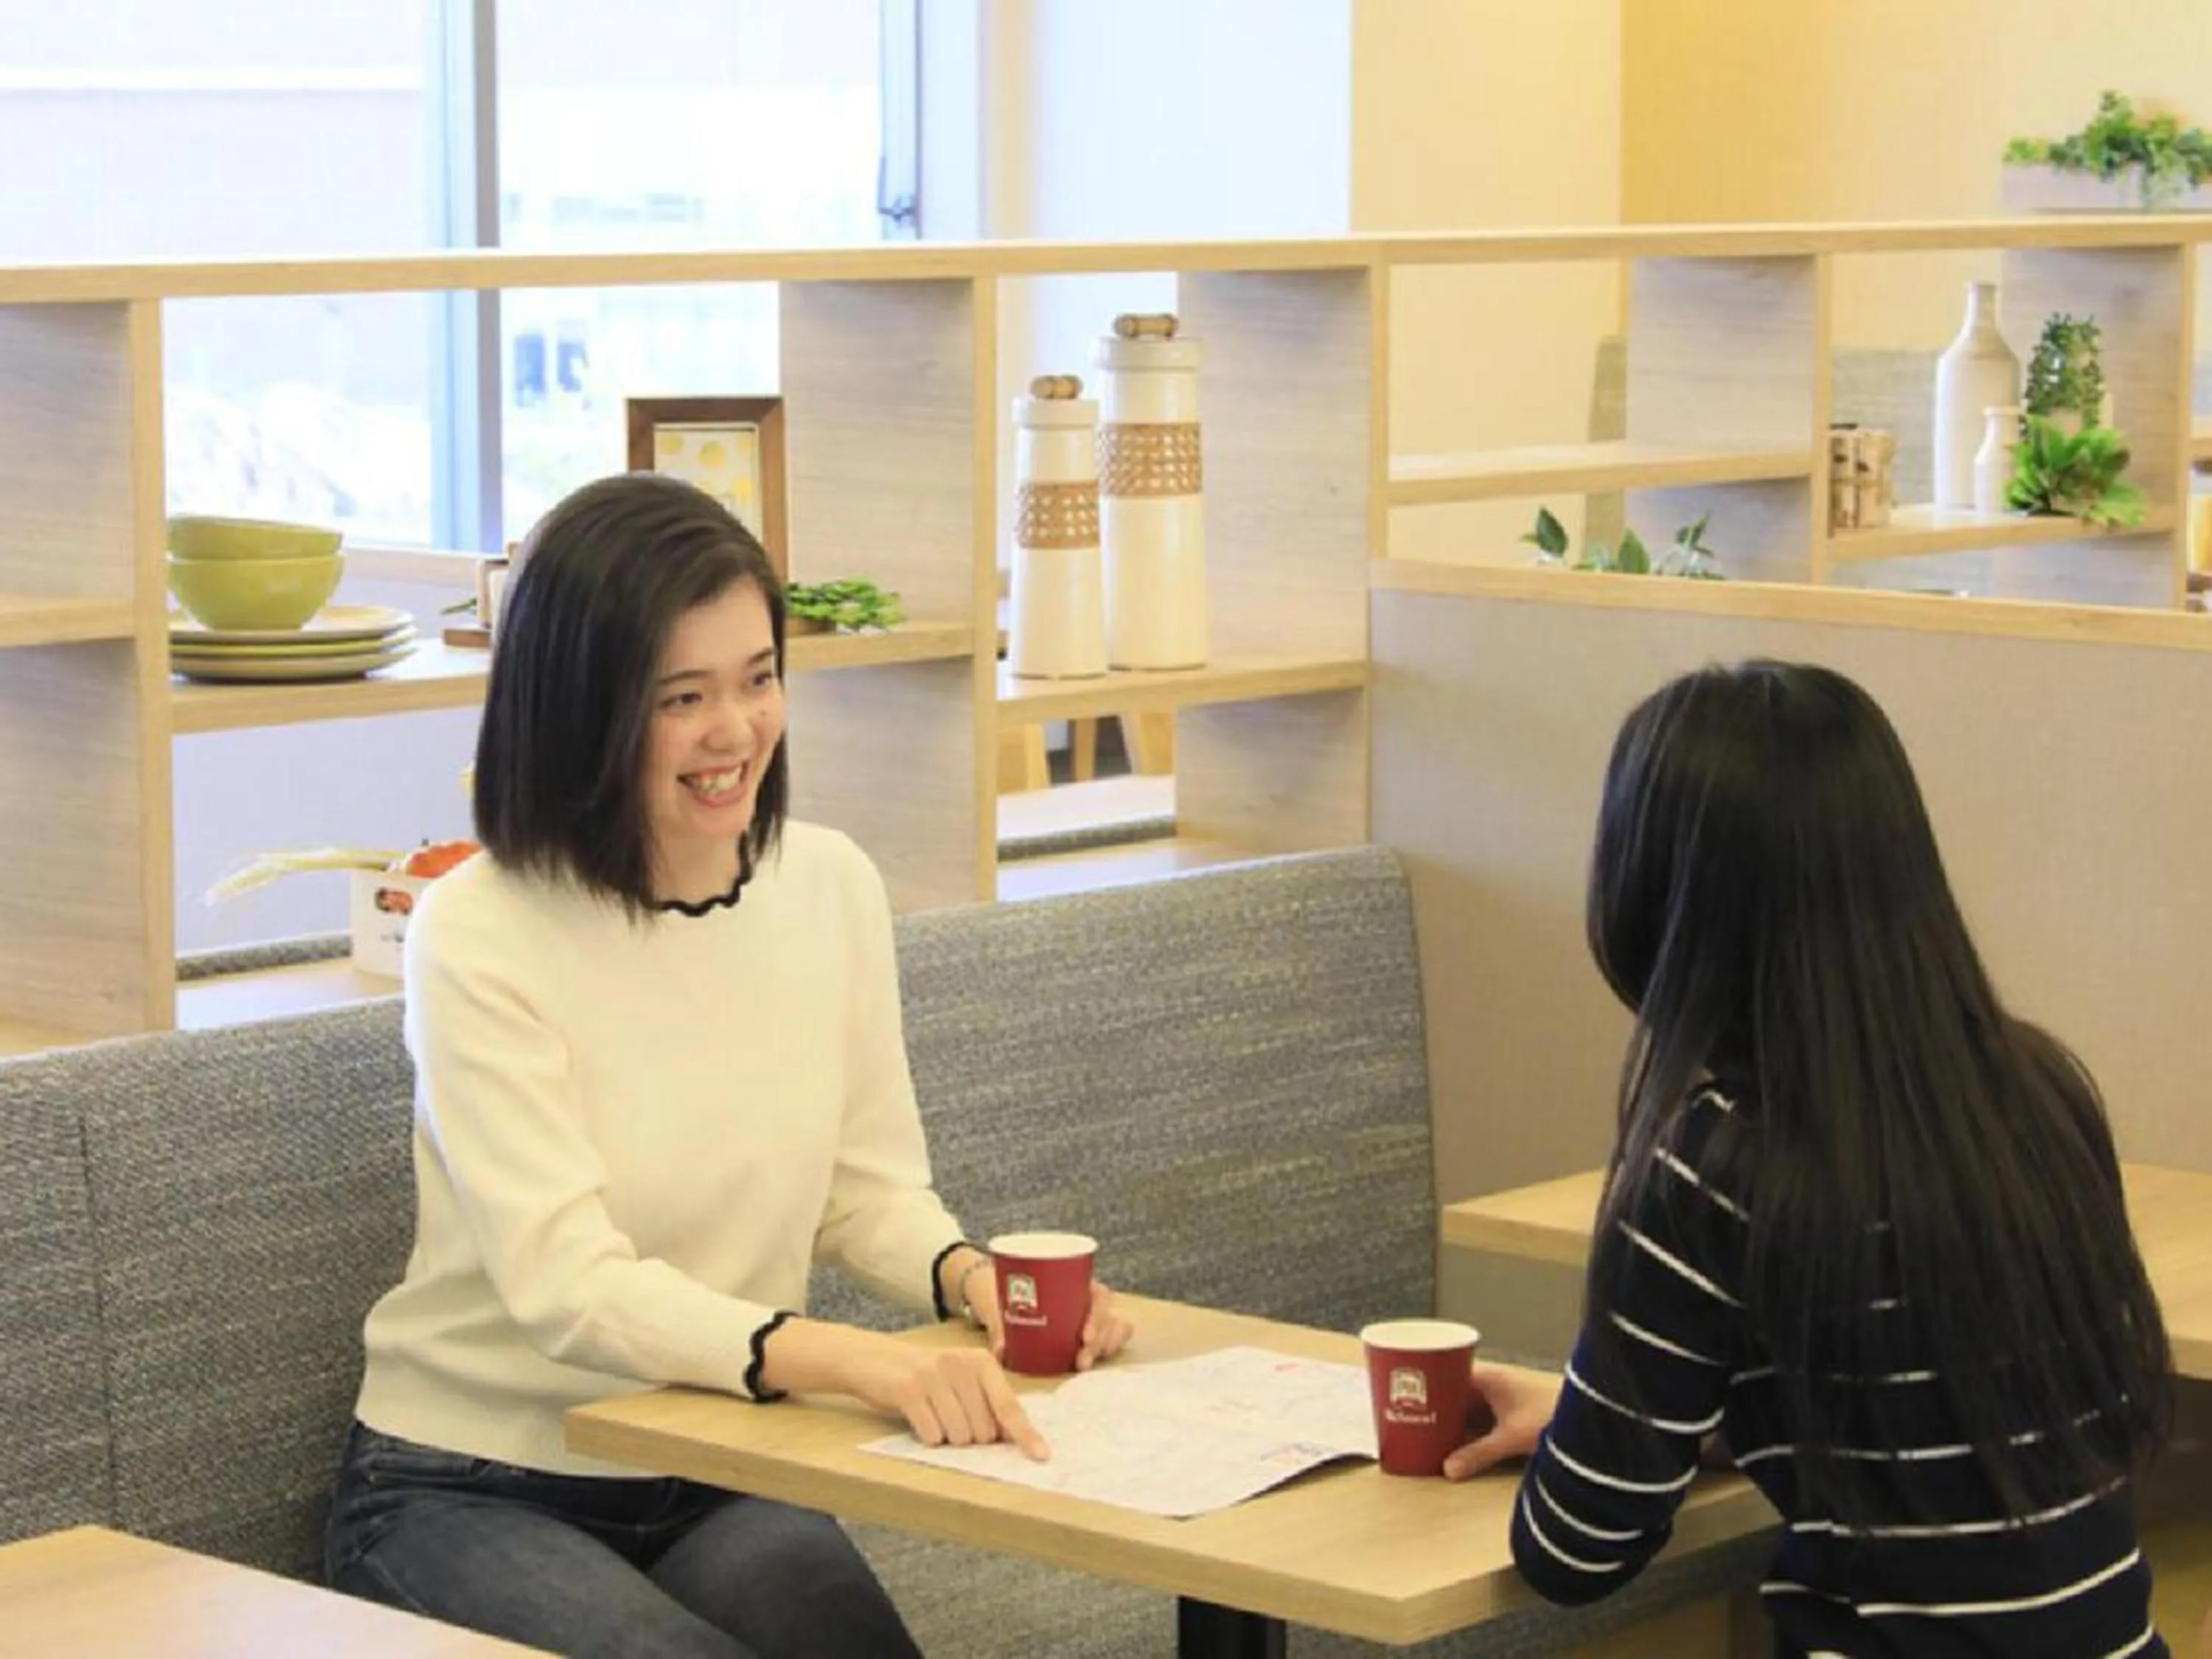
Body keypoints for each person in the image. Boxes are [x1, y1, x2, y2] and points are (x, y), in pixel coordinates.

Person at [324, 472, 1133, 1659]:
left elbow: (866, 1190)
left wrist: (979, 1286)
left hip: (713, 1459)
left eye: (758, 679)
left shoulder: (830, 884)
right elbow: (570, 1286)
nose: (737, 731)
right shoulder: (480, 929)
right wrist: (857, 1364)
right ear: (581, 711)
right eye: (682, 697)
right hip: (471, 1482)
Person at [1446, 661, 2174, 1655]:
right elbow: (1923, 1422)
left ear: (1657, 895)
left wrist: (1607, 1430)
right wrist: (1629, 1423)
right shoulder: (2037, 1092)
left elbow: (1574, 1551)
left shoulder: (1718, 1166)